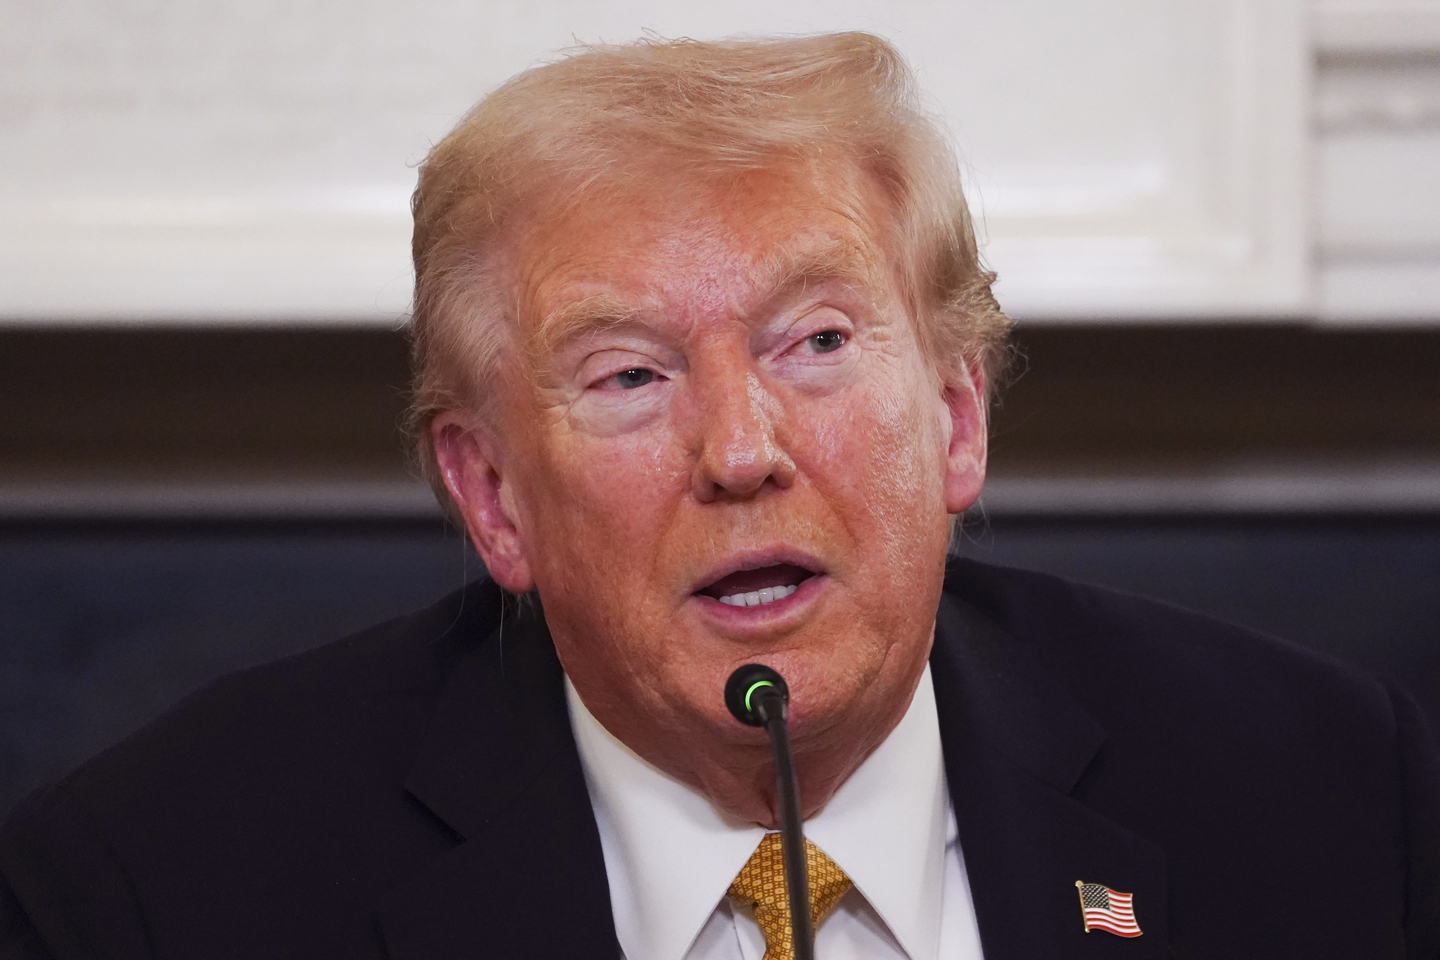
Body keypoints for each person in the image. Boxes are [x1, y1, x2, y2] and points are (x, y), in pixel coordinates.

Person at [2, 32, 1437, 960]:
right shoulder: (160, 888)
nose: (742, 450)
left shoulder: (1330, 798)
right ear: (491, 496)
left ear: (956, 417)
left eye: (816, 345)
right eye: (630, 375)